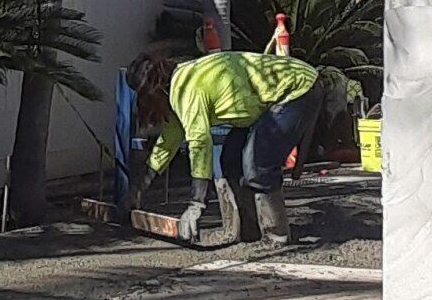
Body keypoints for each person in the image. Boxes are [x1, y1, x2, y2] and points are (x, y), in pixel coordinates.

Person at [134, 48, 328, 245]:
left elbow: (199, 142)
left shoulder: (186, 90)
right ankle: (250, 233)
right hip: (266, 100)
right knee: (230, 160)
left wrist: (196, 204)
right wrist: (138, 189)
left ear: (151, 93)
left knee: (259, 163)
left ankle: (276, 237)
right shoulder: (180, 84)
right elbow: (168, 142)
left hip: (297, 87)